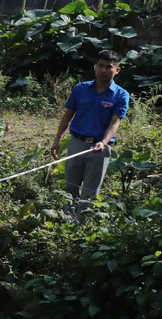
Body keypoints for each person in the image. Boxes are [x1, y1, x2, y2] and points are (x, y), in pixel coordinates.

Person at [51, 49, 130, 206]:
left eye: (108, 67)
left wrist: (104, 142)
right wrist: (57, 139)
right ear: (95, 67)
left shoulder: (121, 95)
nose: (103, 70)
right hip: (76, 144)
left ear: (117, 70)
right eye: (100, 65)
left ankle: (82, 227)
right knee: (70, 189)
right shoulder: (81, 89)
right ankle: (67, 223)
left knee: (90, 193)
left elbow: (115, 123)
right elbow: (68, 115)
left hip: (99, 149)